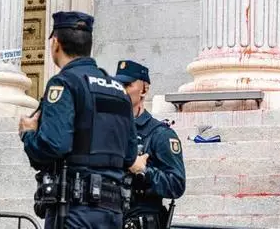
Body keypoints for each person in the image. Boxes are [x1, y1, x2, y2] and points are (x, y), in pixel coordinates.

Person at [18, 11, 138, 228]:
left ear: (55, 43)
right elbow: (130, 156)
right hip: (112, 212)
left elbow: (53, 145)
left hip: (75, 210)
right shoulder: (119, 91)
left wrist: (28, 134)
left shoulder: (65, 83)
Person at [115, 60, 186, 229]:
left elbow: (176, 184)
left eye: (127, 85)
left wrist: (143, 171)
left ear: (144, 89)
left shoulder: (159, 134)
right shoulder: (107, 130)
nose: (121, 91)